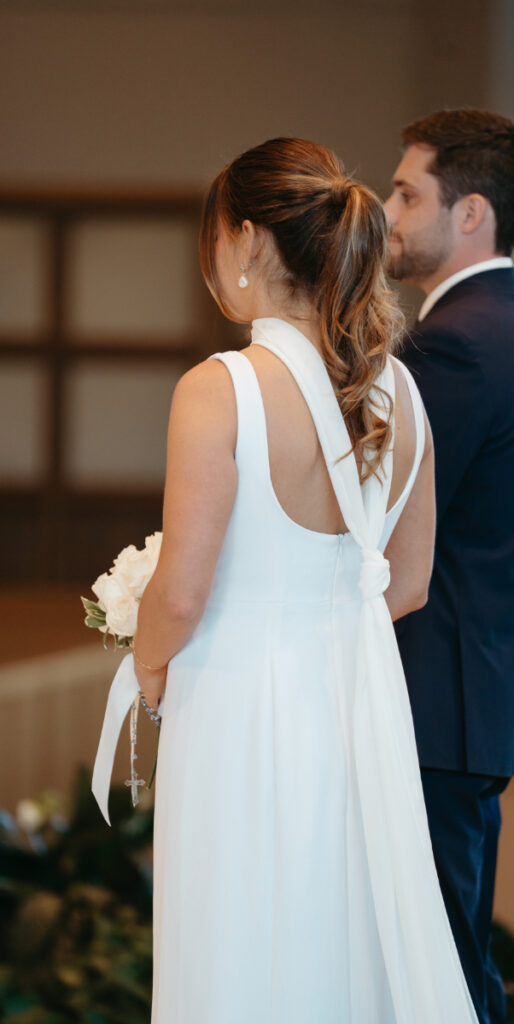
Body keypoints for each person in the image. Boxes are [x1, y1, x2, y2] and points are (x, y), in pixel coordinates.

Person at [92, 137, 480, 1023]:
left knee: (238, 937)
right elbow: (410, 580)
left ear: (247, 239)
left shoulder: (220, 385)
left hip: (235, 708)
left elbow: (182, 593)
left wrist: (149, 671)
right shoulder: (401, 393)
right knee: (346, 932)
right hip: (356, 706)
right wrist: (316, 628)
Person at [385, 109, 514, 1024]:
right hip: (461, 706)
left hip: (431, 706)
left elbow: (375, 521)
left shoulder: (457, 343)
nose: (387, 212)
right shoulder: (509, 330)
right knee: (442, 970)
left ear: (470, 215)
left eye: (407, 192)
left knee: (439, 984)